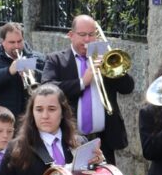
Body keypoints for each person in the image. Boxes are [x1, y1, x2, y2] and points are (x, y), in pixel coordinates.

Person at [42, 14, 135, 165]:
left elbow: (128, 88)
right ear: (71, 35)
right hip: (71, 138)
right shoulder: (56, 60)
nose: (87, 40)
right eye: (82, 35)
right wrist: (82, 82)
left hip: (104, 139)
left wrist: (113, 67)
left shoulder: (103, 58)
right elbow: (46, 88)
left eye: (91, 35)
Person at [0, 22, 44, 134]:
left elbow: (49, 80)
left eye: (19, 41)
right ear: (2, 42)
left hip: (28, 125)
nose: (16, 46)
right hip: (0, 126)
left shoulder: (37, 58)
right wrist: (9, 71)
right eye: (12, 42)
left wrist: (34, 73)